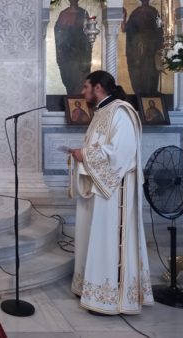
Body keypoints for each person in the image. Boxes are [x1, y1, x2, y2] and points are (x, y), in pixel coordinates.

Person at [69, 70, 153, 315]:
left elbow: (122, 152)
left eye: (86, 87)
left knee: (109, 240)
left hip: (116, 193)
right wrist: (81, 155)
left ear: (98, 88)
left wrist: (85, 155)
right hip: (101, 187)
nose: (83, 92)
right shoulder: (102, 112)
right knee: (96, 236)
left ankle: (111, 299)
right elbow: (98, 147)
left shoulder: (121, 112)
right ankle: (92, 289)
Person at [123, 0, 164, 95]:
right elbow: (127, 28)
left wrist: (160, 44)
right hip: (138, 45)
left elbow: (159, 28)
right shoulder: (136, 12)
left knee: (151, 69)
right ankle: (140, 90)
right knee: (139, 67)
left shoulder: (154, 11)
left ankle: (151, 90)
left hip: (152, 44)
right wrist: (124, 16)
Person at [54, 0, 92, 94]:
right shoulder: (63, 14)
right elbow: (58, 30)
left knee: (81, 74)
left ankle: (79, 95)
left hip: (81, 51)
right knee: (69, 74)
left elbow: (88, 30)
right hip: (67, 51)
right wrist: (69, 29)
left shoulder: (83, 13)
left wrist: (81, 28)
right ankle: (71, 94)